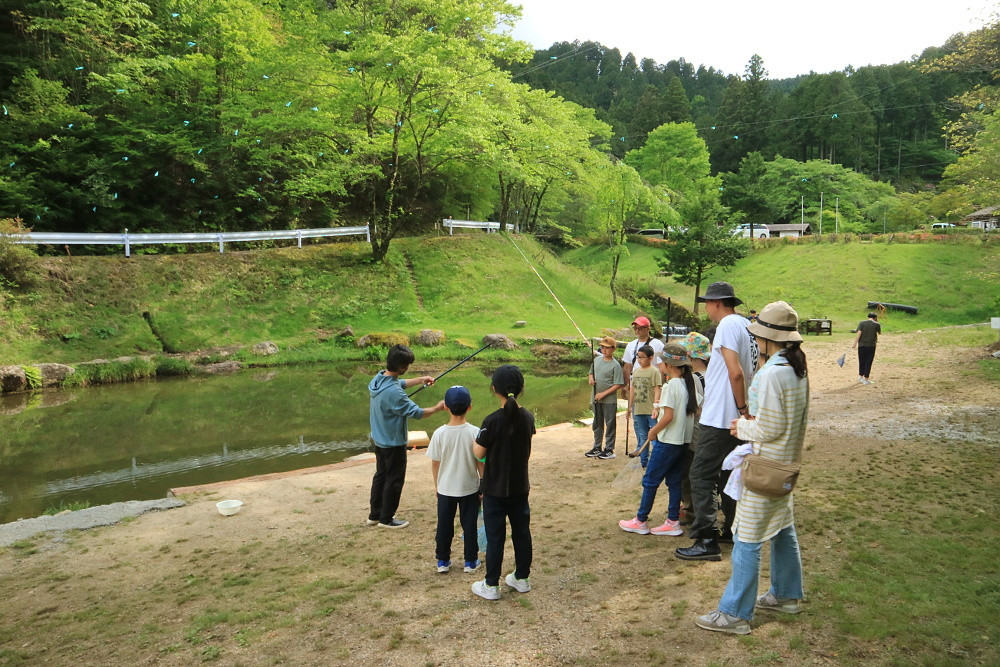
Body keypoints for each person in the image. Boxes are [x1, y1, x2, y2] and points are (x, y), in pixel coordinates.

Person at [695, 301, 809, 635]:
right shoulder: (795, 367)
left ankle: (735, 614)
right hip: (784, 468)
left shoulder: (773, 372)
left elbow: (770, 427)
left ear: (768, 337)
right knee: (783, 529)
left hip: (764, 468)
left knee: (745, 537)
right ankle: (787, 595)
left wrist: (741, 427)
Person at [676, 282, 758, 562]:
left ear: (717, 303)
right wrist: (746, 412)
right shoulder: (749, 326)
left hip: (722, 416)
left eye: (708, 303)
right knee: (728, 474)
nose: (707, 308)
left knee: (700, 474)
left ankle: (706, 537)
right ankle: (733, 530)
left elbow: (735, 373)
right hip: (736, 417)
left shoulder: (726, 326)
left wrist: (741, 406)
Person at [619, 343, 702, 537]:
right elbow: (696, 411)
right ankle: (672, 521)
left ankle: (641, 520)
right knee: (674, 481)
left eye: (661, 361)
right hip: (683, 442)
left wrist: (653, 431)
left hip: (668, 442)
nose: (659, 364)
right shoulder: (687, 384)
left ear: (668, 364)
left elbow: (668, 417)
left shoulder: (671, 386)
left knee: (650, 480)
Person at [471, 365, 536, 601]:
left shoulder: (491, 421)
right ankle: (522, 578)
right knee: (522, 532)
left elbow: (479, 452)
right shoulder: (528, 417)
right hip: (520, 487)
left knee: (495, 535)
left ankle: (491, 585)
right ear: (521, 389)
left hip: (494, 490)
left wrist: (476, 444)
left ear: (493, 389)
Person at [367, 344, 447, 529]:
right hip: (393, 442)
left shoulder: (378, 379)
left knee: (381, 475)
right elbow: (418, 413)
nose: (408, 369)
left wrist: (421, 380)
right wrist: (437, 408)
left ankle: (375, 515)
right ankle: (386, 519)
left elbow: (399, 383)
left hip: (379, 439)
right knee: (394, 480)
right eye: (407, 366)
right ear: (402, 367)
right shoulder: (395, 394)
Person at [427, 386, 483, 574]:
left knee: (444, 525)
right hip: (469, 487)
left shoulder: (439, 433)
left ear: (445, 407)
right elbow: (480, 462)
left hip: (445, 489)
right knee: (469, 526)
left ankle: (443, 560)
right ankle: (470, 561)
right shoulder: (475, 432)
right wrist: (483, 484)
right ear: (470, 407)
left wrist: (437, 485)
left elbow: (435, 463)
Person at [678, 331, 711, 524]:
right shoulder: (715, 375)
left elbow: (694, 409)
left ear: (691, 356)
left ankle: (690, 510)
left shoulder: (695, 378)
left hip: (695, 432)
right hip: (711, 431)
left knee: (689, 472)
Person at [585, 336, 624, 460]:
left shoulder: (615, 365)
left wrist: (604, 394)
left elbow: (618, 384)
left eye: (607, 348)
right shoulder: (596, 360)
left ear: (613, 349)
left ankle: (609, 449)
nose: (604, 350)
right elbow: (591, 373)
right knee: (597, 422)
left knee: (610, 423)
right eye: (602, 347)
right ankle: (597, 447)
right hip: (596, 398)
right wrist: (590, 379)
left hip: (609, 400)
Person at [626, 344, 662, 468]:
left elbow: (657, 389)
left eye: (642, 357)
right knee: (642, 436)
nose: (640, 360)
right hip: (638, 409)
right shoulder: (635, 372)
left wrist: (656, 406)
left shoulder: (654, 371)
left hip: (650, 410)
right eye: (638, 357)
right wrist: (629, 407)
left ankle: (657, 462)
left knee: (654, 437)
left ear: (651, 358)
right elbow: (632, 390)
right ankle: (643, 462)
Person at [622, 316, 667, 393]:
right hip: (635, 383)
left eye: (640, 328)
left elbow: (661, 368)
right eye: (635, 328)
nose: (637, 330)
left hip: (651, 383)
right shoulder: (631, 345)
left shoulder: (657, 344)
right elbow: (627, 366)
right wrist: (626, 385)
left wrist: (659, 388)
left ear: (648, 328)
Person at [852, 312, 881, 385]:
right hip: (871, 345)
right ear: (875, 318)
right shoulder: (877, 324)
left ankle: (860, 376)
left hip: (861, 345)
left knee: (861, 361)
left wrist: (854, 344)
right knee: (868, 361)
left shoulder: (861, 323)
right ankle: (866, 379)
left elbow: (858, 334)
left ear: (868, 317)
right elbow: (879, 333)